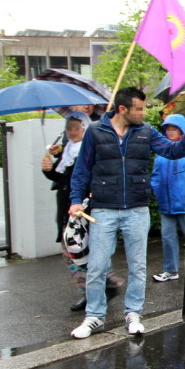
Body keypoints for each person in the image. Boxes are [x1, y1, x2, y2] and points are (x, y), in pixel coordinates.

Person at [68, 87, 185, 339]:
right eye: (139, 108)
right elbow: (82, 170)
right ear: (123, 109)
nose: (143, 113)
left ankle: (133, 313)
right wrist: (76, 200)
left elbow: (173, 151)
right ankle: (94, 316)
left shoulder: (146, 131)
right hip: (103, 208)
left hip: (137, 209)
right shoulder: (95, 132)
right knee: (97, 266)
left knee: (138, 267)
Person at [42, 112, 120, 312]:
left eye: (77, 128)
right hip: (67, 209)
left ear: (85, 129)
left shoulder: (88, 151)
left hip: (83, 209)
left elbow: (82, 179)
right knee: (76, 252)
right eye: (69, 128)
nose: (72, 132)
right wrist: (49, 169)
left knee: (79, 251)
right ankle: (100, 287)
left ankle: (99, 288)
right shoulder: (67, 150)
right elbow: (61, 179)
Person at [151, 113, 185, 282]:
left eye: (174, 128)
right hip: (165, 204)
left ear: (181, 130)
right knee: (167, 238)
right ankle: (171, 270)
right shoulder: (161, 151)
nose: (170, 132)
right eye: (168, 129)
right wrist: (156, 190)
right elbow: (155, 174)